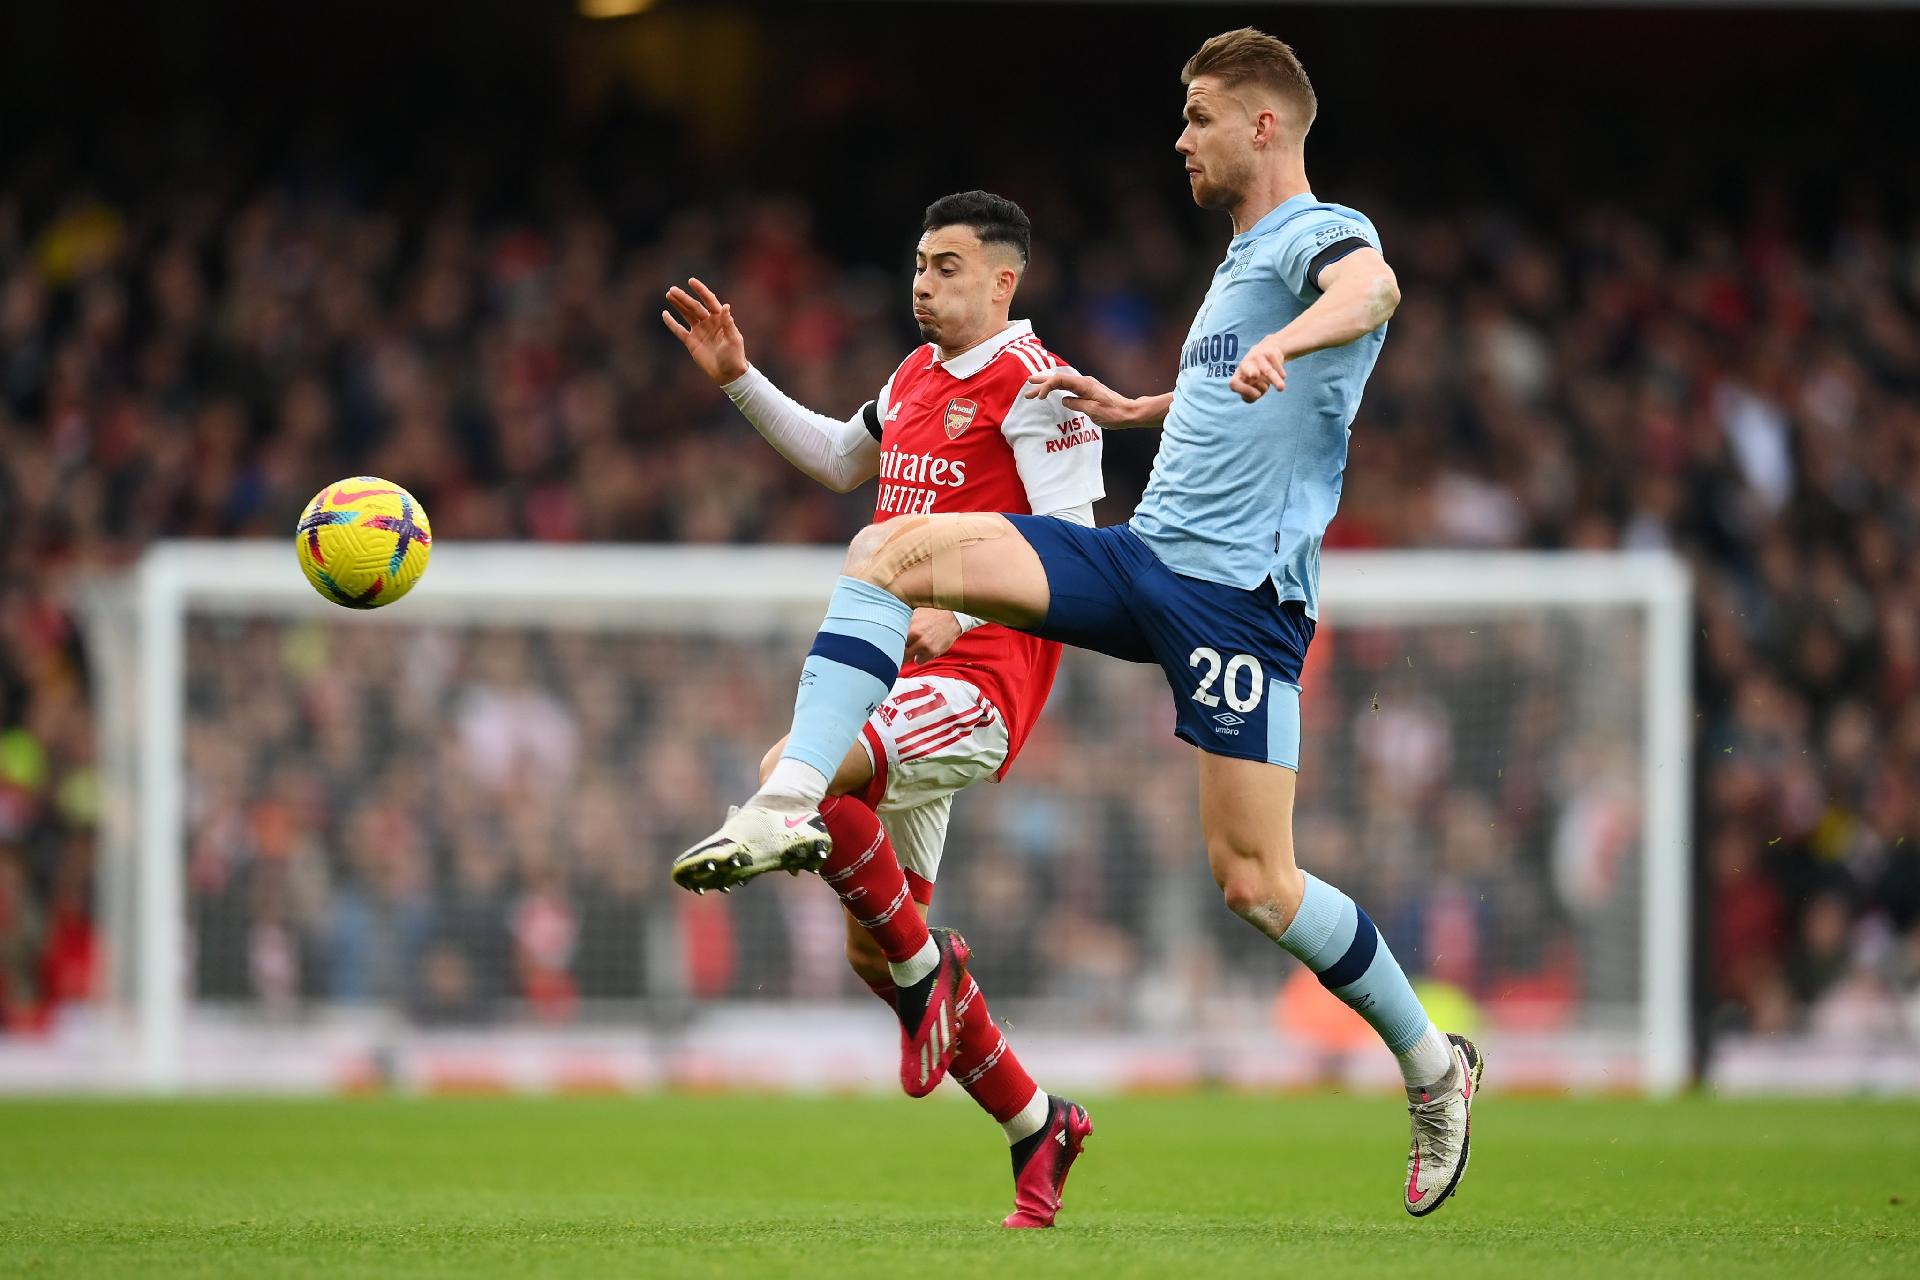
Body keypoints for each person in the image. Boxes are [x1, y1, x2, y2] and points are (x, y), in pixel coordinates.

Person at [674, 30, 1484, 1218]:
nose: (1182, 137)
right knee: (887, 551)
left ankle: (1431, 1063)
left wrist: (1287, 340)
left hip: (1240, 603)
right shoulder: (1237, 255)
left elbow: (1375, 291)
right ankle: (790, 796)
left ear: (1262, 124)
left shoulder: (1317, 233)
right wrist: (1149, 401)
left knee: (1256, 881)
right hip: (1143, 558)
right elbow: (1231, 403)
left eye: (1200, 115)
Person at [661, 191, 1100, 1228]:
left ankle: (922, 961)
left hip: (981, 679)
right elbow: (837, 458)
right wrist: (740, 382)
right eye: (916, 263)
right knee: (875, 946)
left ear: (1004, 279)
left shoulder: (1042, 387)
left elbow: (1084, 549)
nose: (922, 282)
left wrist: (959, 599)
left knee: (797, 770)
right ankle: (1038, 1121)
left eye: (947, 266)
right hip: (894, 682)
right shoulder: (910, 377)